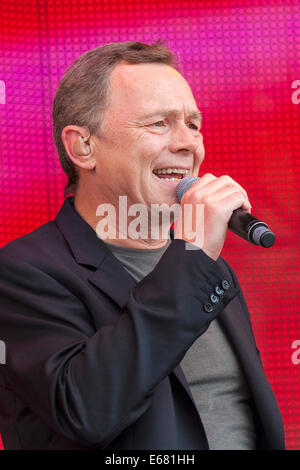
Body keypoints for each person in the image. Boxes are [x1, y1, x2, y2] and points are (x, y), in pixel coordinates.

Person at [0, 41, 285, 450]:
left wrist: (194, 258)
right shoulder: (22, 273)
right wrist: (193, 257)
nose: (189, 144)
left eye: (193, 124)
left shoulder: (208, 267)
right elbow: (85, 409)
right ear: (83, 146)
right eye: (159, 124)